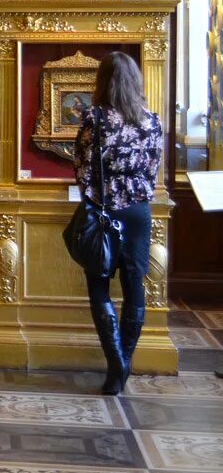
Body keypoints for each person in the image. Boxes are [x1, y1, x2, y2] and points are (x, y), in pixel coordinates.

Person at [74, 52, 163, 396]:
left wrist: (97, 195)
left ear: (103, 81)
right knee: (134, 282)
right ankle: (123, 363)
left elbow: (82, 167)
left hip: (104, 210)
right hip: (139, 210)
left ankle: (117, 365)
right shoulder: (152, 120)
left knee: (98, 283)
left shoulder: (95, 118)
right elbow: (153, 169)